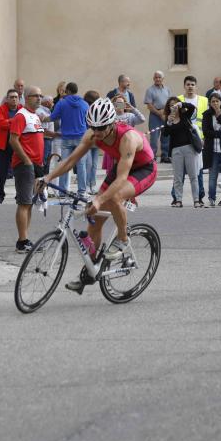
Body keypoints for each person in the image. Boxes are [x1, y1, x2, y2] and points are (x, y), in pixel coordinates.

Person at [39, 98, 157, 294]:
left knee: (113, 197)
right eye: (93, 127)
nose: (97, 132)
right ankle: (90, 271)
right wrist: (48, 177)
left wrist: (99, 198)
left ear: (112, 123)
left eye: (101, 128)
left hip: (143, 169)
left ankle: (123, 239)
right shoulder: (93, 134)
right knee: (94, 219)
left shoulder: (127, 137)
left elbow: (121, 179)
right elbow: (71, 161)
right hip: (121, 165)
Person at [8, 87, 45, 253]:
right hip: (25, 165)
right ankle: (22, 242)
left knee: (29, 203)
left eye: (40, 95)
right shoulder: (20, 115)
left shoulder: (35, 116)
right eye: (35, 96)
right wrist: (27, 160)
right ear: (27, 98)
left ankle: (25, 239)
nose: (39, 98)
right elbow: (13, 140)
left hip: (36, 165)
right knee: (24, 203)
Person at [45, 82, 89, 197]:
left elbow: (52, 117)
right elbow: (89, 120)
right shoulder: (84, 104)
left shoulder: (62, 103)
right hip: (81, 138)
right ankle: (82, 192)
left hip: (66, 139)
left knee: (64, 164)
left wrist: (42, 118)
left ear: (68, 91)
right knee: (81, 165)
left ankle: (62, 191)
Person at [178, 76, 209, 204]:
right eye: (188, 84)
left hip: (198, 139)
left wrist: (204, 138)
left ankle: (200, 197)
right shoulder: (179, 100)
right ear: (184, 86)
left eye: (192, 84)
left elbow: (207, 121)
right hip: (182, 139)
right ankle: (176, 198)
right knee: (179, 171)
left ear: (196, 86)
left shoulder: (204, 100)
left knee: (198, 169)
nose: (190, 87)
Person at [164, 97, 200, 207]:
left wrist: (181, 104)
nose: (173, 107)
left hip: (189, 148)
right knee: (178, 177)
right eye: (171, 105)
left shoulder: (185, 115)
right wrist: (169, 122)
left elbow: (192, 108)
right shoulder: (168, 119)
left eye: (174, 105)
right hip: (176, 150)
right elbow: (165, 134)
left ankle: (196, 200)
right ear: (168, 107)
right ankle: (178, 200)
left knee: (193, 176)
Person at [0, 89, 20, 203]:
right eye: (11, 97)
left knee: (19, 171)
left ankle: (20, 195)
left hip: (18, 144)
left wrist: (9, 121)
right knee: (1, 172)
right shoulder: (1, 109)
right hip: (3, 145)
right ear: (7, 99)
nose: (14, 99)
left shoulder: (22, 109)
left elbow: (23, 124)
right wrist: (15, 121)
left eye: (16, 97)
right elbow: (1, 124)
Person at [144, 71, 172, 163]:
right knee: (154, 137)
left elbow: (170, 102)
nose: (157, 79)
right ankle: (152, 156)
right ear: (153, 79)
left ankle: (165, 156)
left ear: (163, 79)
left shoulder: (167, 89)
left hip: (166, 114)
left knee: (166, 136)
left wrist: (166, 113)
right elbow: (149, 105)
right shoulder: (150, 90)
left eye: (159, 77)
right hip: (155, 116)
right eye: (156, 77)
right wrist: (160, 114)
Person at [83, 91, 101, 194]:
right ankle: (86, 186)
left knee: (94, 164)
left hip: (97, 139)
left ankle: (92, 185)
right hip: (89, 138)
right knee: (88, 164)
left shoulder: (98, 109)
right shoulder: (86, 110)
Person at [37, 95, 56, 175]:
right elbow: (44, 131)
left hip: (48, 139)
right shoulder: (42, 112)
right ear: (48, 103)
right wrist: (58, 135)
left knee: (47, 159)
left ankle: (45, 177)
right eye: (52, 102)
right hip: (45, 139)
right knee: (44, 160)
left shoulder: (47, 111)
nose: (53, 104)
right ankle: (41, 178)